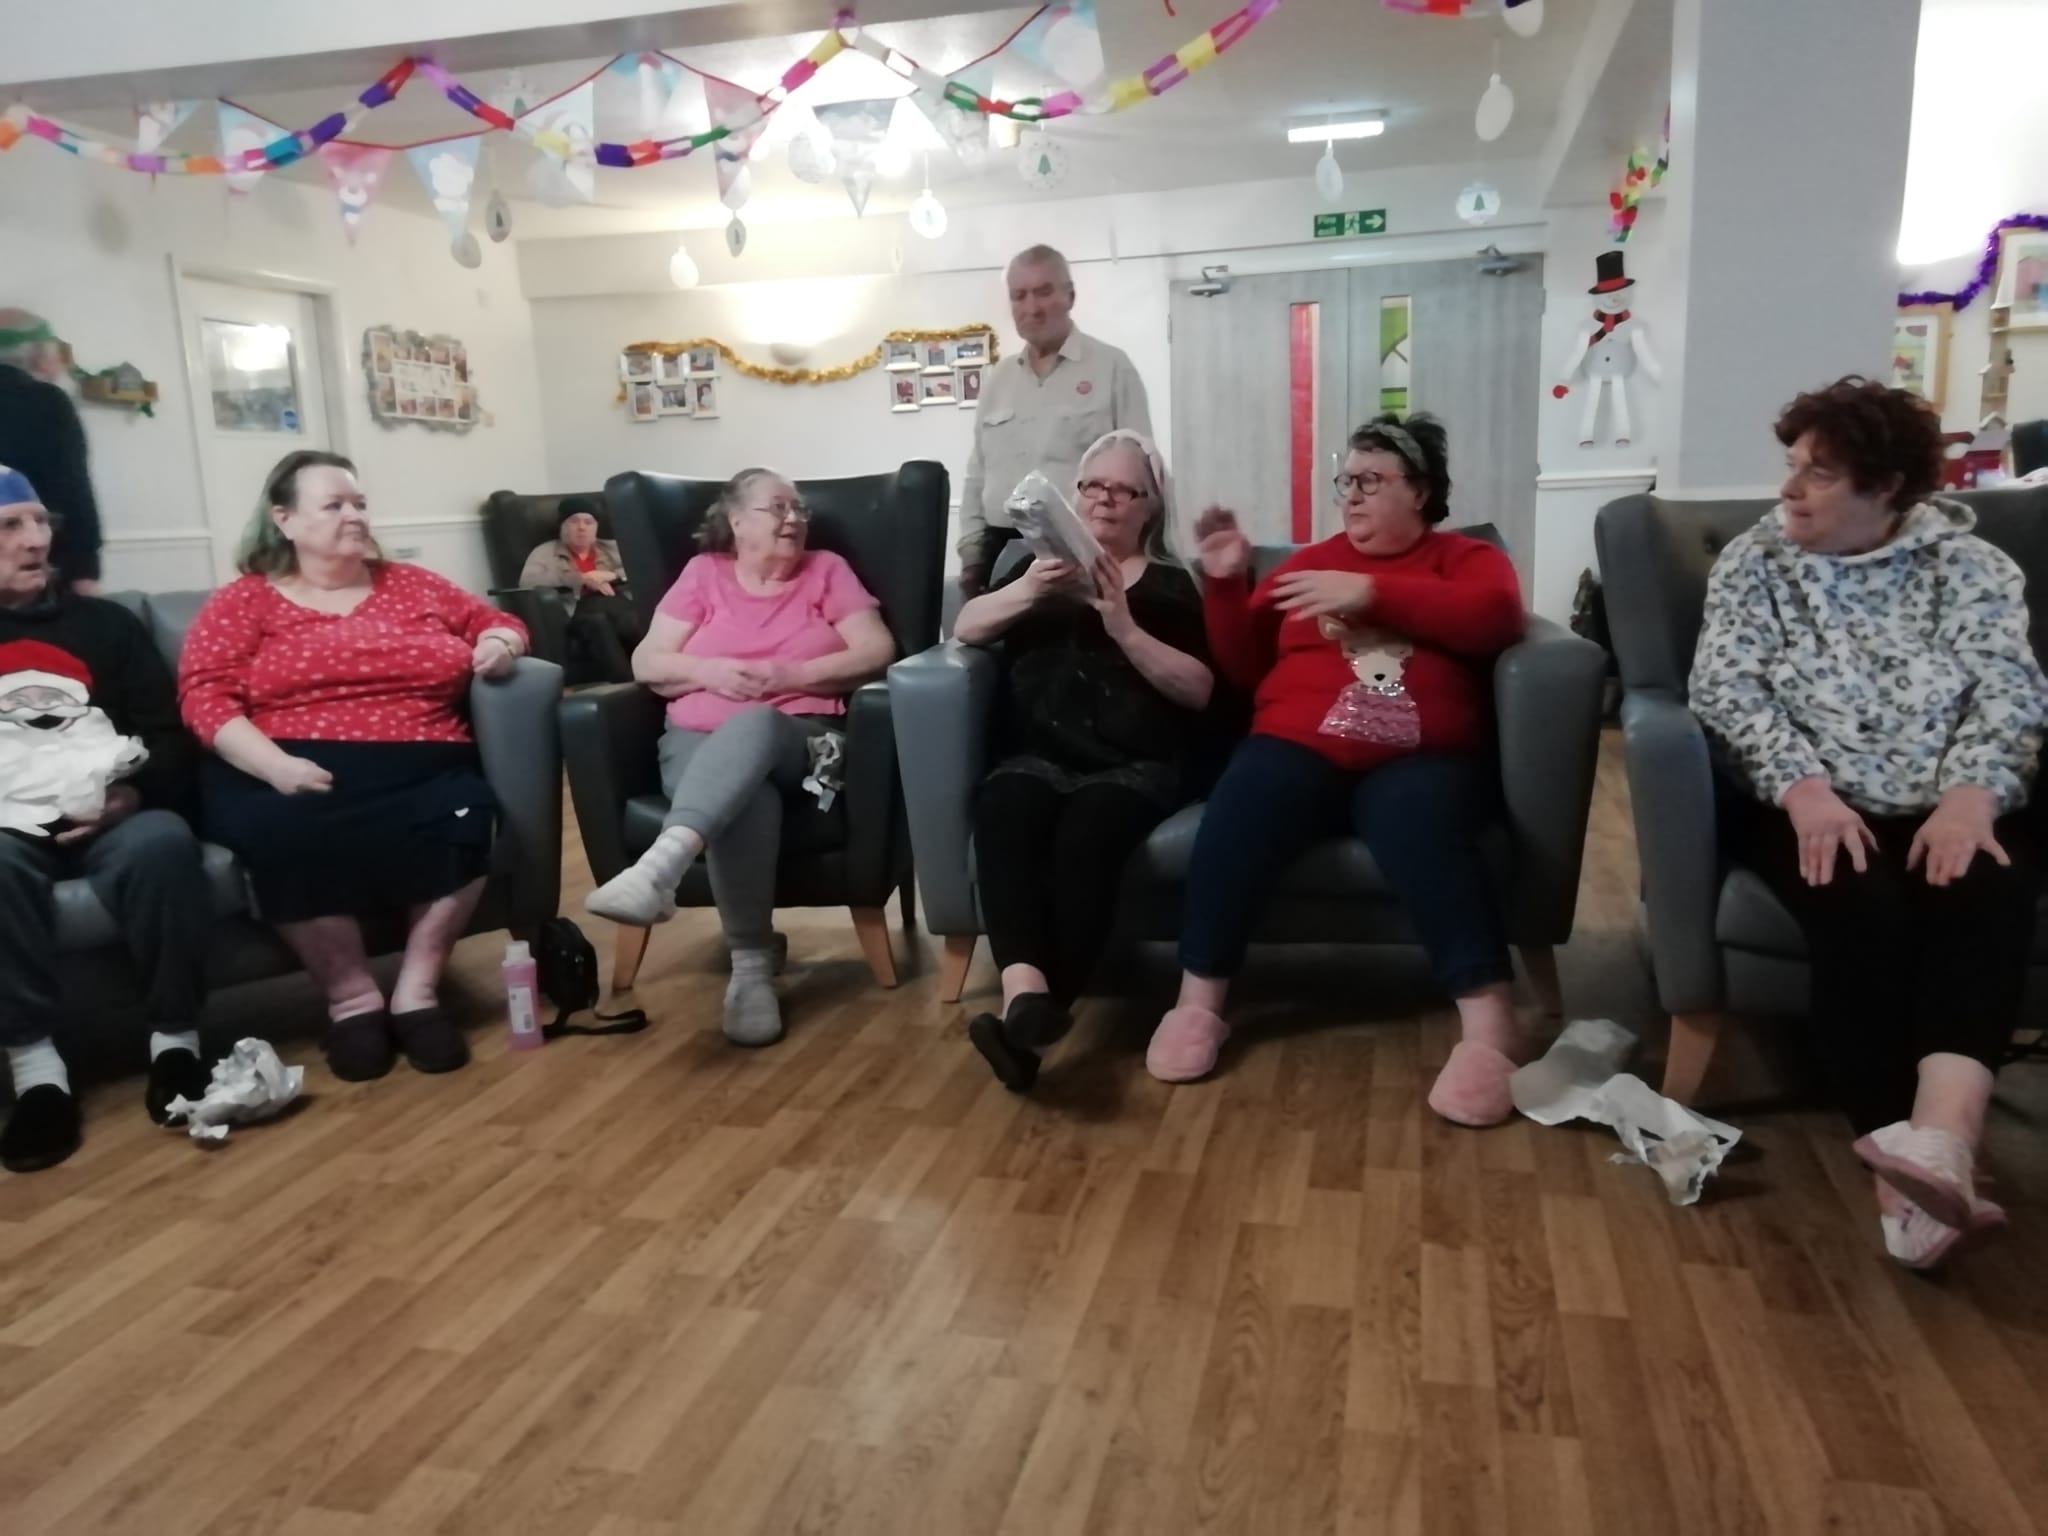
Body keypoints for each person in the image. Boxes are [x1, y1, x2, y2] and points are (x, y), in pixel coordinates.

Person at [1689, 376, 2048, 1270]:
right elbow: (1725, 688)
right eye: (1791, 465)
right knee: (1856, 901)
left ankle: (1942, 1146)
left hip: (1944, 798)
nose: (1789, 489)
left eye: (1818, 473)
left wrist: (1971, 796)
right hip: (1806, 799)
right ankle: (1904, 1171)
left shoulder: (1972, 570)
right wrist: (1805, 790)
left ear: (1885, 487)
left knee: (1987, 887)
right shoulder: (1757, 562)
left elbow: (2009, 692)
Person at [1154, 414, 1528, 1121]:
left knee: (1420, 823)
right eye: (1345, 481)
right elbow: (1243, 668)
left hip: (1420, 755)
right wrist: (1226, 584)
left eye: (1370, 480)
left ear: (1420, 490)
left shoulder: (1465, 559)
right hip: (1298, 744)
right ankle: (1198, 1004)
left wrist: (1371, 594)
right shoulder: (1306, 566)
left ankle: (1489, 1032)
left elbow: (1497, 617)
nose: (1350, 495)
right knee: (1241, 808)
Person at [177, 451, 528, 1083]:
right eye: (334, 504)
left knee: (467, 814)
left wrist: (500, 643)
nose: (354, 516)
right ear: (284, 519)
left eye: (360, 504)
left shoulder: (414, 584)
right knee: (279, 829)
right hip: (290, 763)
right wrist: (275, 767)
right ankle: (352, 1000)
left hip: (424, 758)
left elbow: (495, 619)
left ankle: (417, 992)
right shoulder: (244, 601)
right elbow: (205, 696)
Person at [584, 468, 896, 1046]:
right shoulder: (703, 573)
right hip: (695, 743)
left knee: (754, 722)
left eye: (799, 509)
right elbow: (648, 662)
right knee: (745, 796)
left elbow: (877, 649)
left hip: (805, 740)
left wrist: (789, 675)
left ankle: (659, 868)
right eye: (777, 507)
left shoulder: (826, 570)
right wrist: (710, 672)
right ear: (735, 521)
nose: (794, 518)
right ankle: (751, 970)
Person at [953, 430, 1214, 1091]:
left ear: (1150, 508)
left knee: (1087, 833)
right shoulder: (1033, 568)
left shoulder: (1171, 585)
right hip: (1037, 753)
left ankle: (1028, 1024)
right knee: (1002, 807)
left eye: (1125, 490)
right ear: (1072, 497)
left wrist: (1122, 625)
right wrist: (1030, 590)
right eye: (1093, 486)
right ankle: (1024, 998)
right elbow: (967, 627)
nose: (1105, 500)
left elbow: (1199, 689)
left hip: (1134, 764)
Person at [0, 467, 209, 1173]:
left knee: (164, 845)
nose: (36, 540)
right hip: (6, 829)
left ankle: (176, 1045)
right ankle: (38, 1076)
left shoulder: (107, 625)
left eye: (41, 521)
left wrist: (131, 796)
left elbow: (168, 734)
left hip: (114, 812)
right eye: (11, 526)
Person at [955, 245, 1153, 597]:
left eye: (1044, 292)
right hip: (1000, 553)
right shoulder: (998, 379)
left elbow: (1140, 472)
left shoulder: (1111, 368)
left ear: (1070, 296)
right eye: (1019, 296)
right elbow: (976, 476)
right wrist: (972, 559)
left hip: (1083, 554)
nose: (1032, 307)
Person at [0, 310, 103, 594]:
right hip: (36, 569)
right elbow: (72, 492)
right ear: (39, 358)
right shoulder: (46, 402)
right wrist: (85, 572)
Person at [517, 496, 642, 683]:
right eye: (574, 521)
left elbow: (642, 567)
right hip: (577, 612)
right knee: (601, 620)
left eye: (588, 522)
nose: (582, 527)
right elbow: (528, 581)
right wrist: (581, 579)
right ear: (562, 526)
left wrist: (613, 575)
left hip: (618, 606)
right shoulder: (544, 552)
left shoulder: (613, 548)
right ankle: (628, 682)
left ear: (596, 527)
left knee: (627, 618)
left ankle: (646, 673)